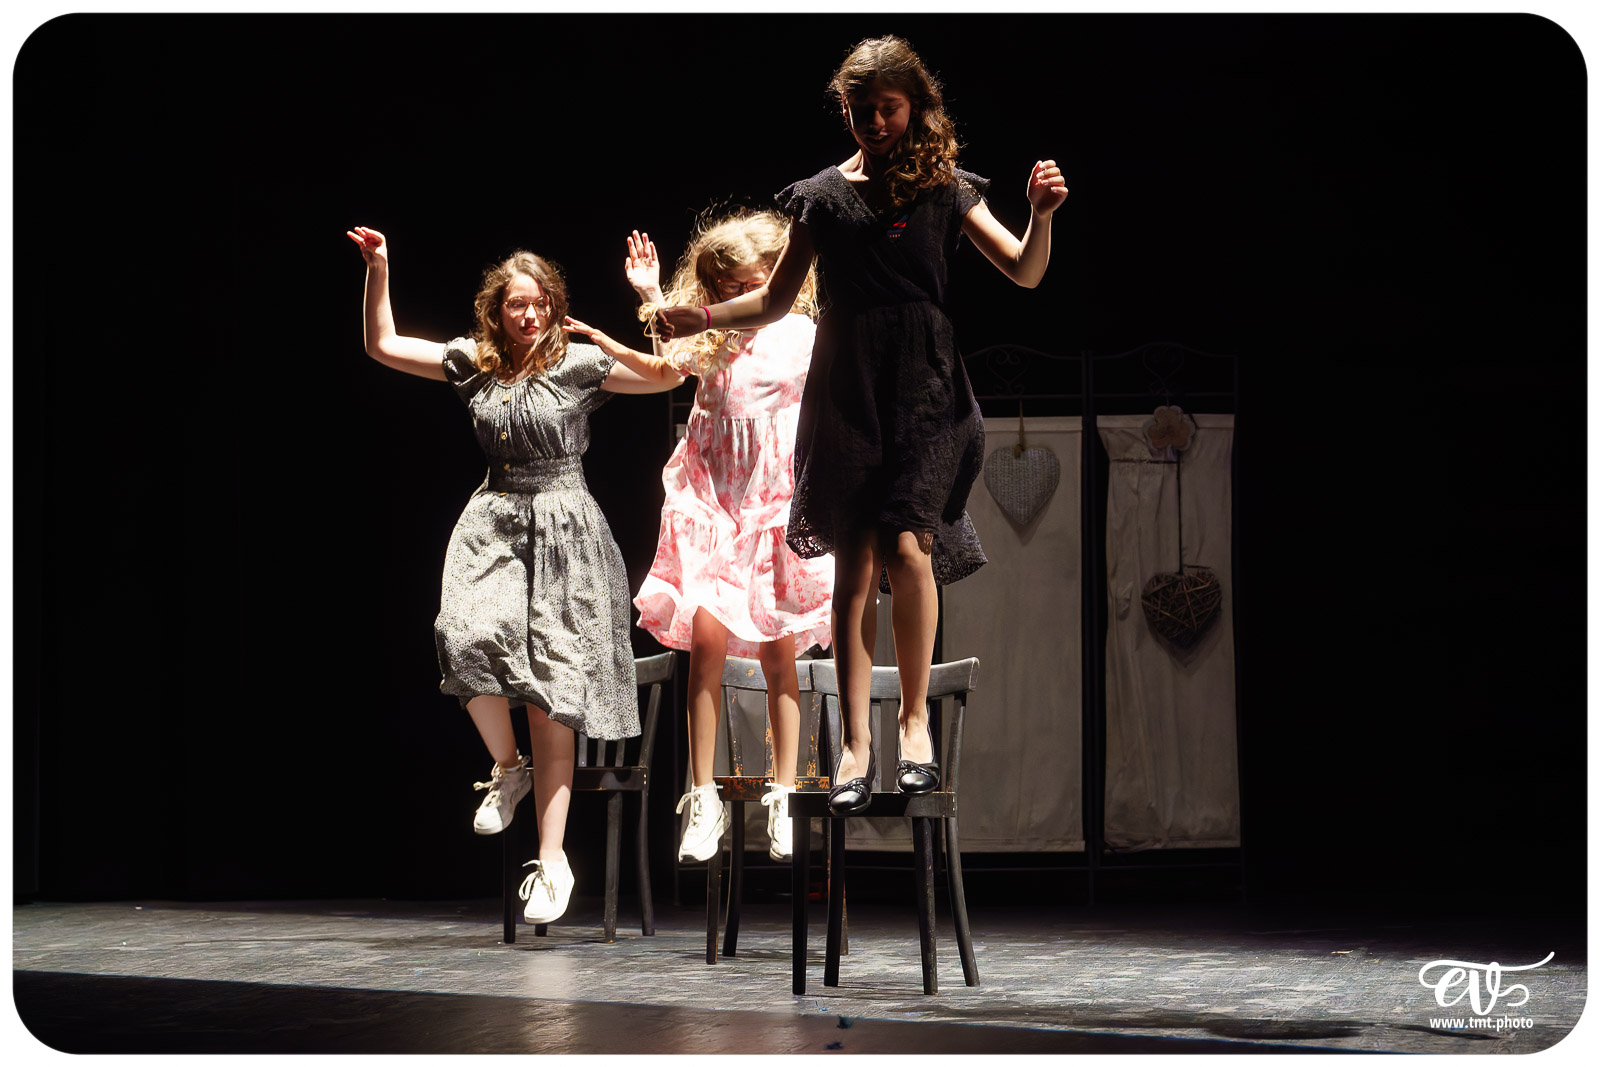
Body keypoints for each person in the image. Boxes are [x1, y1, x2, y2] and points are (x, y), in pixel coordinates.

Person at [653, 36, 1068, 816]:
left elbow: (1025, 269)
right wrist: (698, 314)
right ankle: (853, 742)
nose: (876, 122)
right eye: (862, 109)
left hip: (926, 387)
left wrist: (1041, 216)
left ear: (914, 107)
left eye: (890, 108)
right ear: (843, 109)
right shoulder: (819, 196)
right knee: (852, 562)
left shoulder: (945, 186)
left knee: (909, 544)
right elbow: (774, 301)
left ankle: (912, 723)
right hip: (847, 387)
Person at [348, 225, 680, 924]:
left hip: (566, 529)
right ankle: (508, 767)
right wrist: (380, 268)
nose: (527, 316)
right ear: (495, 311)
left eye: (539, 305)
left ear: (556, 308)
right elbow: (383, 344)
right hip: (494, 520)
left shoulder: (579, 363)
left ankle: (552, 859)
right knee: (462, 634)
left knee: (549, 685)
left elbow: (668, 375)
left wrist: (651, 298)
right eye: (514, 306)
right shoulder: (477, 363)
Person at [623, 214, 834, 864]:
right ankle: (702, 793)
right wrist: (651, 294)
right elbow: (667, 356)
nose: (750, 291)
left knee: (778, 653)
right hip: (716, 501)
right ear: (715, 285)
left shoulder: (800, 332)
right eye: (736, 283)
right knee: (706, 641)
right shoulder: (709, 335)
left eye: (759, 280)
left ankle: (782, 792)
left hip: (772, 505)